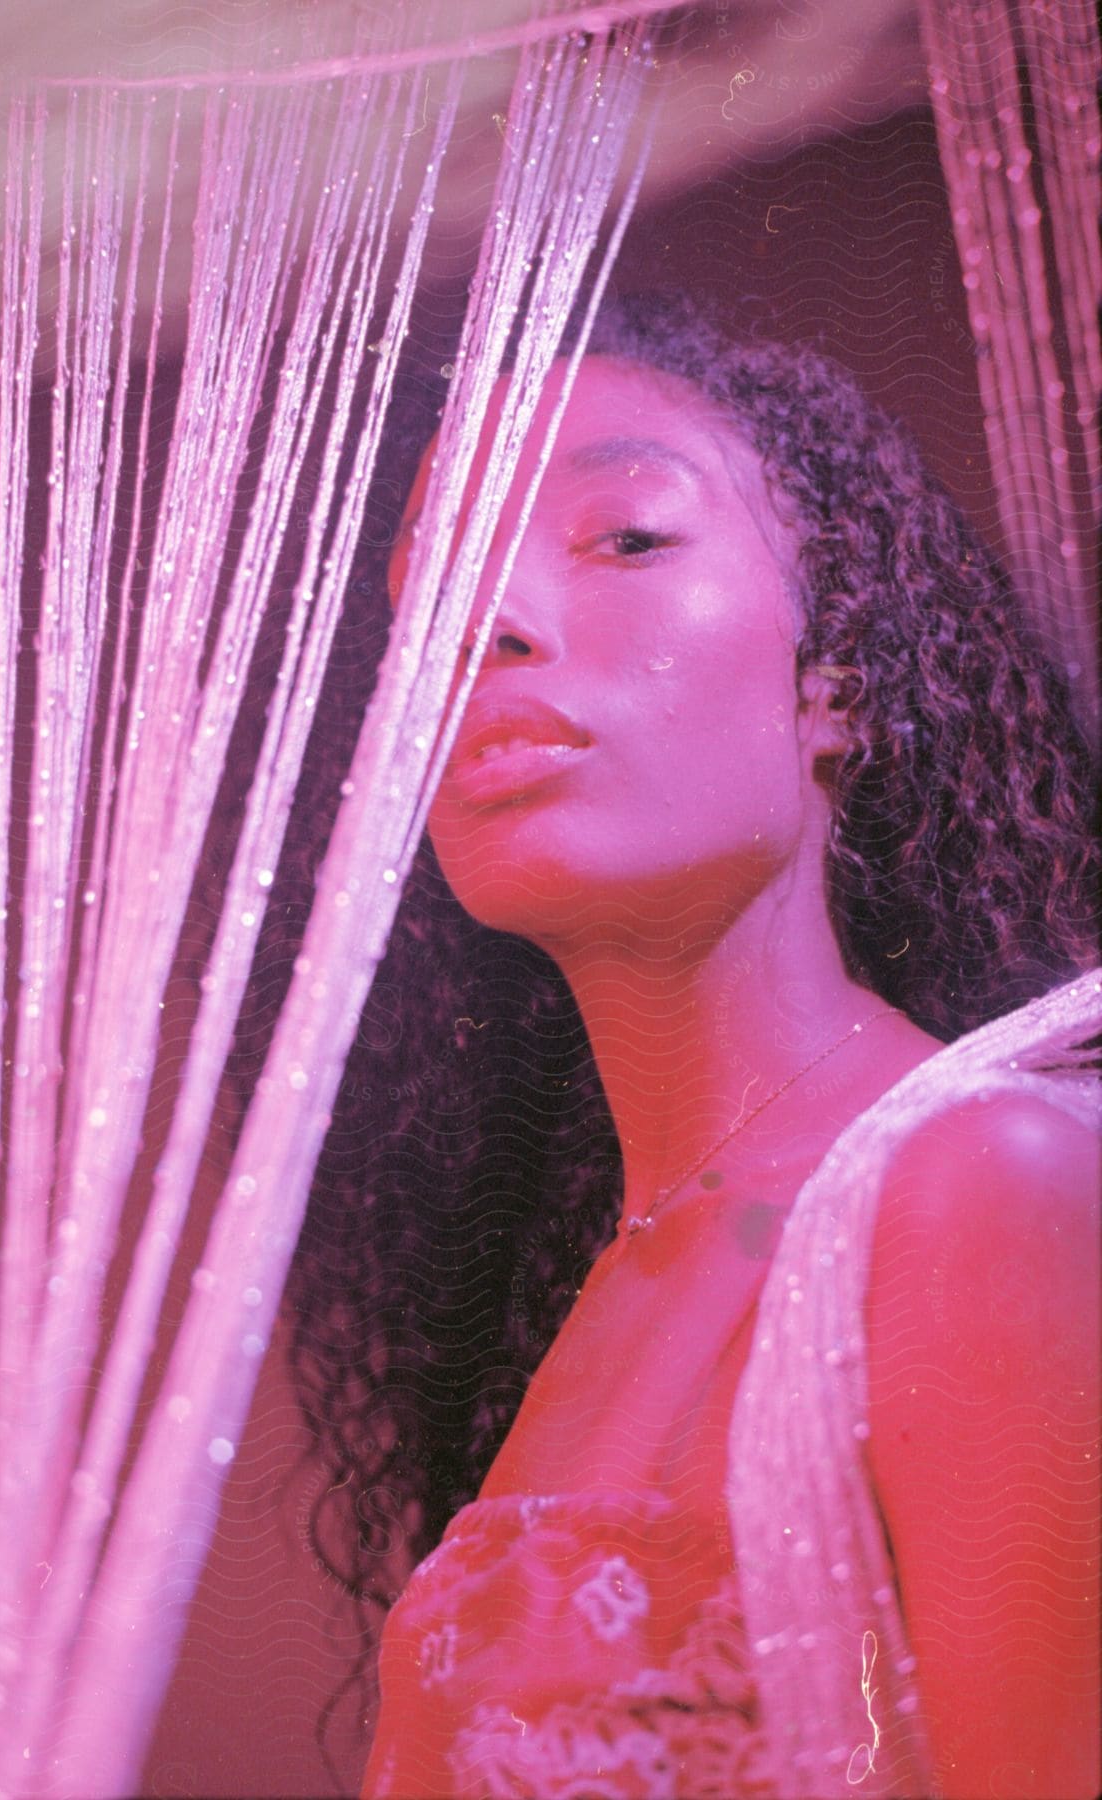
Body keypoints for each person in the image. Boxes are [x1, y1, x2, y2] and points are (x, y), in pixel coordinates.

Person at [292, 295, 1100, 1798]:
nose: (491, 622)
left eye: (627, 538)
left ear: (835, 679)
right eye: (436, 583)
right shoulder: (623, 1262)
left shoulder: (983, 1182)